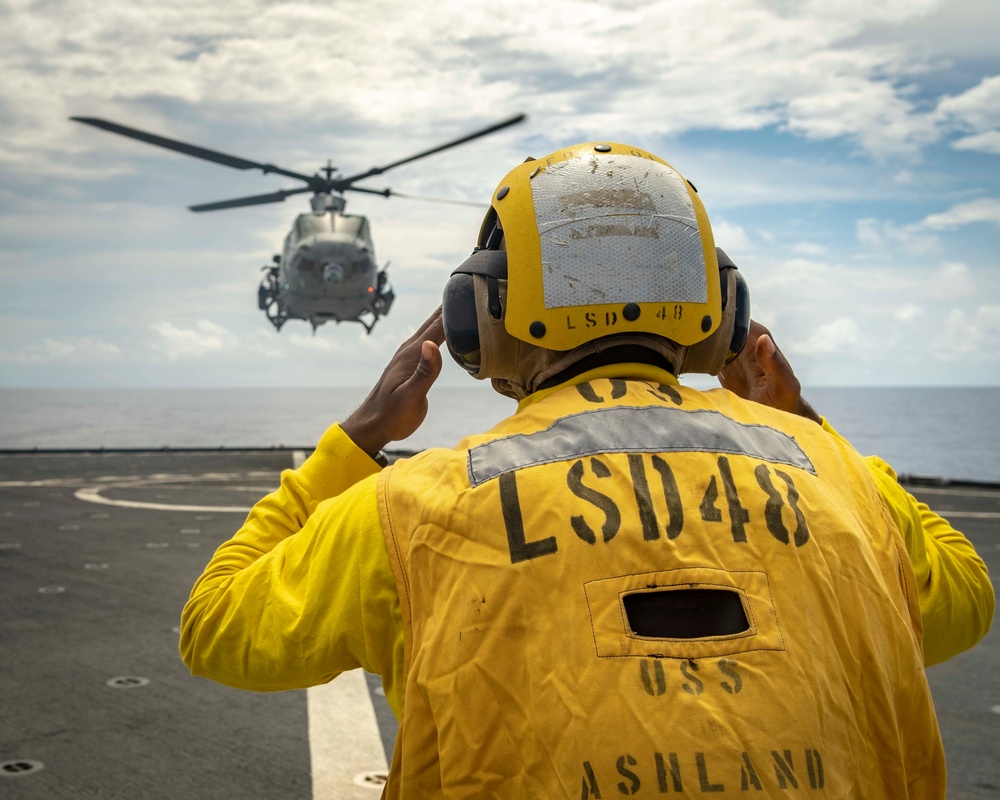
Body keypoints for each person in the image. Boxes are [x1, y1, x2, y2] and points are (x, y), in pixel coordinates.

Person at [180, 142, 993, 799]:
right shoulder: (836, 473)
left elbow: (216, 629)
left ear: (477, 317)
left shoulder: (410, 505)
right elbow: (965, 601)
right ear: (722, 308)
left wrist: (358, 438)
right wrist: (806, 427)